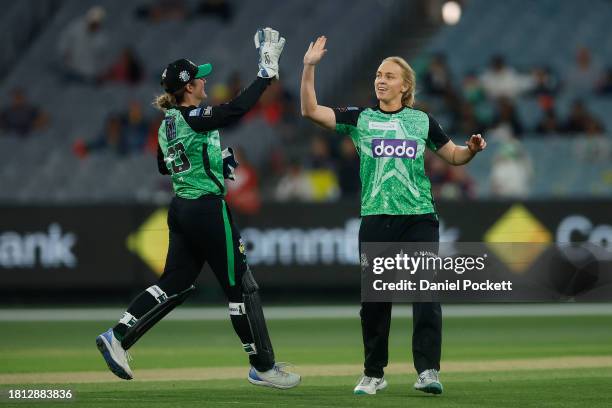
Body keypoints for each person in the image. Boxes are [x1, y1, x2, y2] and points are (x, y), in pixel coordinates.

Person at [96, 27, 300, 389]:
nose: (205, 82)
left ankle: (118, 335)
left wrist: (213, 162)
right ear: (188, 87)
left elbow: (166, 165)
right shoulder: (193, 115)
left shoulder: (167, 123)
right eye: (200, 78)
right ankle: (263, 366)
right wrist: (265, 75)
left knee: (175, 282)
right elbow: (234, 110)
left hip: (182, 208)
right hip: (206, 210)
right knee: (241, 287)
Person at [300, 36, 487, 396]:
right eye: (378, 74)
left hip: (418, 217)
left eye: (388, 75)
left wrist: (472, 150)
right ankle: (374, 373)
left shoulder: (422, 121)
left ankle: (428, 371)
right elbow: (310, 110)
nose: (380, 80)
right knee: (374, 303)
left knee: (425, 297)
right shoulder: (360, 119)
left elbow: (454, 156)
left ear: (405, 86)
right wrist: (310, 66)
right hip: (376, 218)